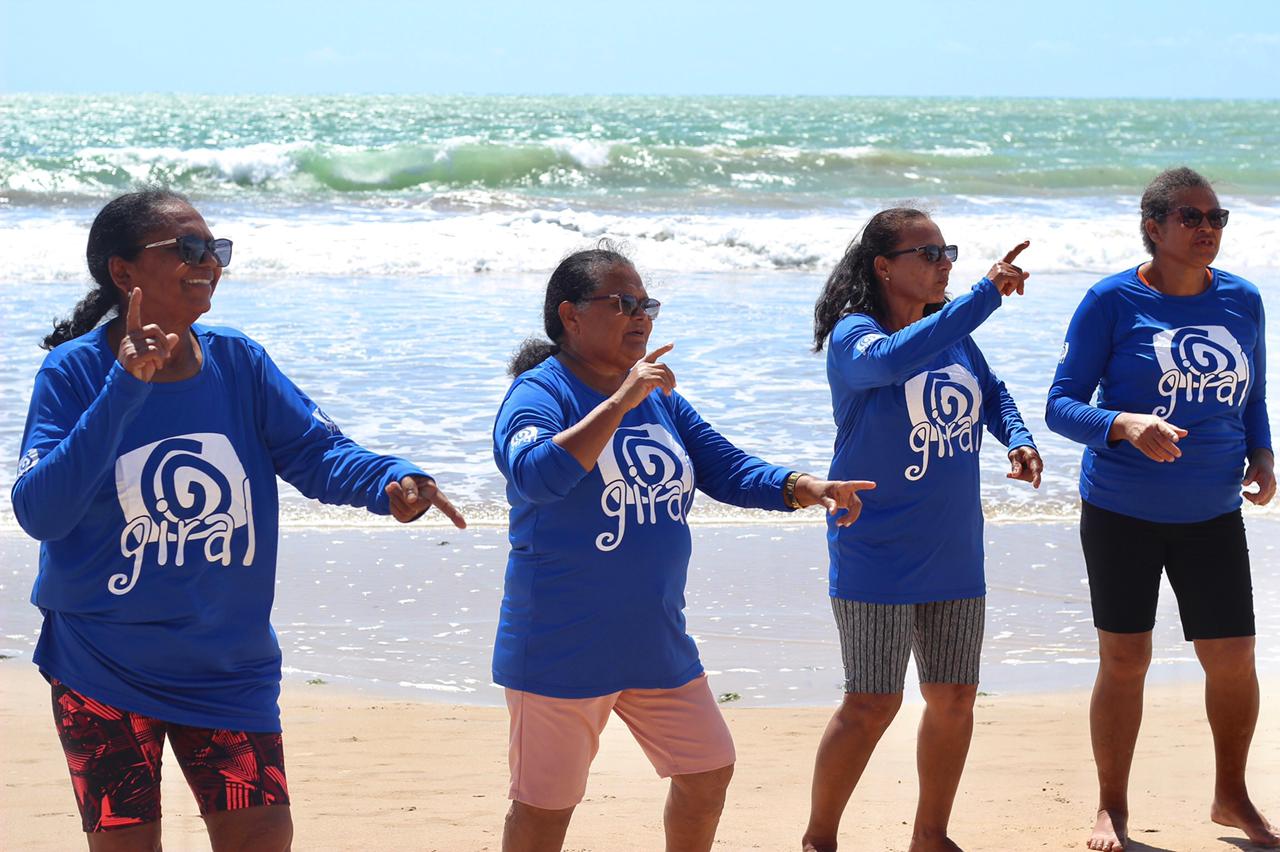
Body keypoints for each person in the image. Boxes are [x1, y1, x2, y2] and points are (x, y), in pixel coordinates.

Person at [12, 189, 466, 851]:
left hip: (227, 662)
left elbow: (316, 451)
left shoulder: (238, 362)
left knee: (261, 836)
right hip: (101, 661)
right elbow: (40, 510)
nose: (210, 263)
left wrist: (389, 478)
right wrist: (125, 387)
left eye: (216, 249)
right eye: (190, 249)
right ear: (124, 272)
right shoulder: (74, 371)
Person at [492, 245, 875, 852]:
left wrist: (803, 487)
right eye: (623, 303)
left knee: (706, 770)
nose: (641, 316)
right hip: (560, 644)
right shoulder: (540, 394)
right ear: (570, 315)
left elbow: (722, 465)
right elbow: (536, 476)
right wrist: (620, 402)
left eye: (648, 304)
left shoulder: (659, 398)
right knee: (545, 811)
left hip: (653, 639)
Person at [1045, 167, 1276, 851]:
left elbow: (1253, 394)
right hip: (1122, 510)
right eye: (1191, 217)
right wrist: (1123, 424)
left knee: (1233, 657)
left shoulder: (1244, 300)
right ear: (1154, 227)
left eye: (1217, 217)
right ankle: (1111, 807)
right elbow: (1061, 405)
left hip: (1211, 510)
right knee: (1125, 660)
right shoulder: (1110, 302)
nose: (1208, 229)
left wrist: (1263, 454)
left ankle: (1231, 798)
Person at [804, 208, 1042, 852]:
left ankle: (930, 836)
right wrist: (983, 294)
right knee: (872, 703)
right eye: (928, 253)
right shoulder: (858, 335)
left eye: (949, 253)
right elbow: (889, 363)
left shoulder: (952, 333)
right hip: (875, 547)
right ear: (884, 266)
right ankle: (819, 839)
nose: (944, 264)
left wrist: (1016, 438)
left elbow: (992, 392)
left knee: (956, 696)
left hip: (955, 548)